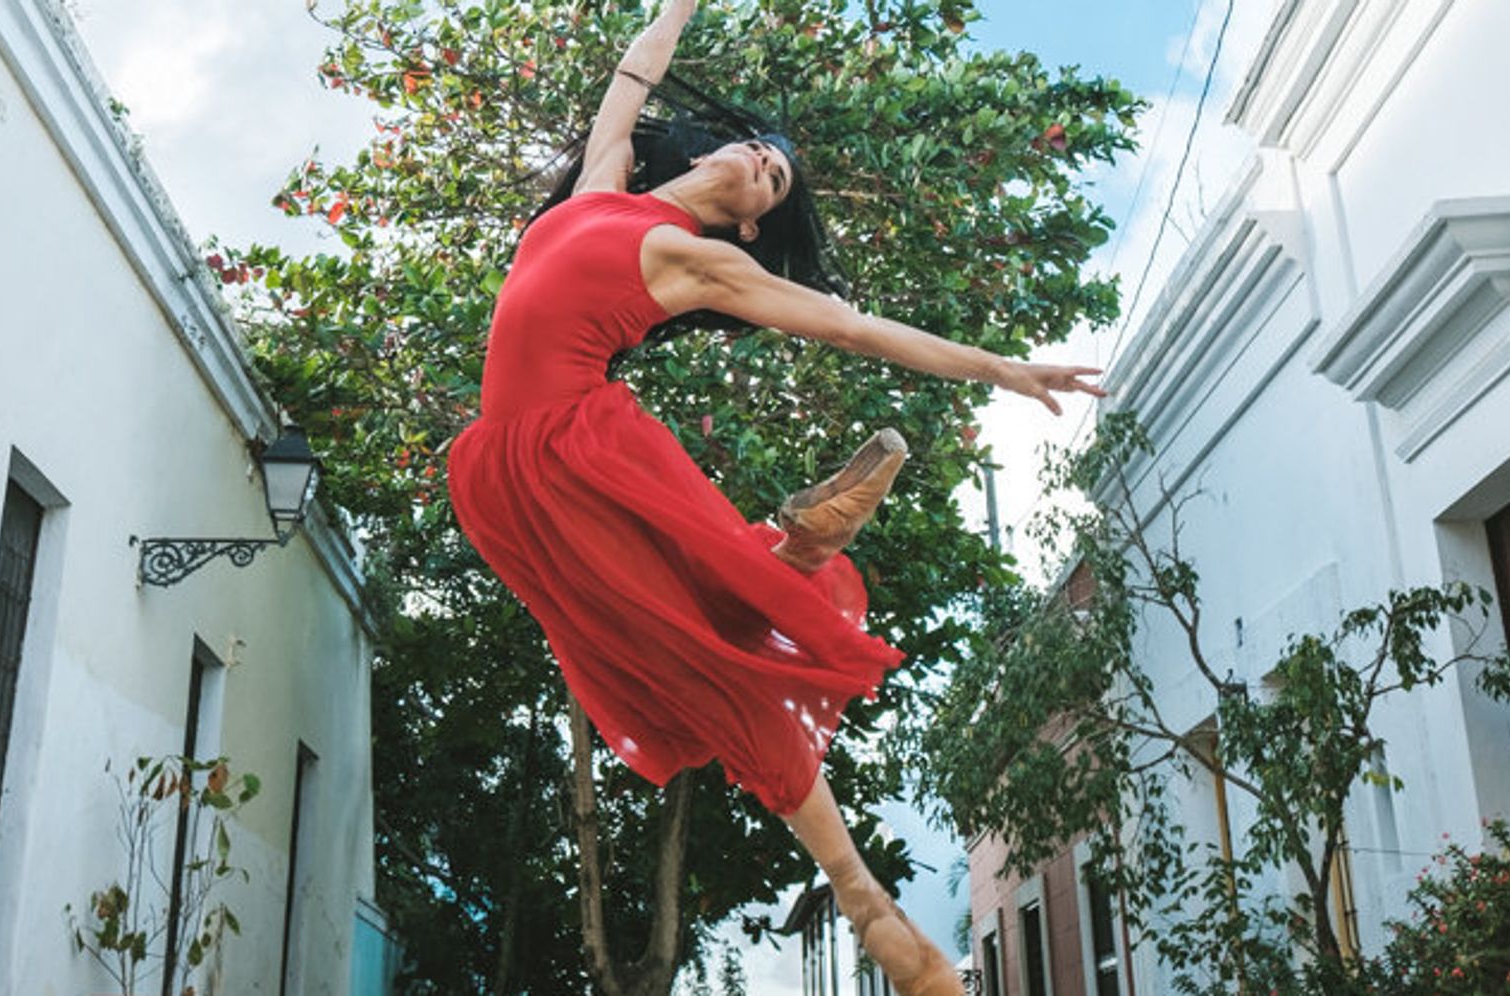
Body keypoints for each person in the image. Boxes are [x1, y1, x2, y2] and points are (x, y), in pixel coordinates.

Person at [445, 2, 1104, 991]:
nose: (761, 158)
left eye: (776, 175)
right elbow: (632, 78)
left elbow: (854, 328)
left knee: (703, 646)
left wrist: (1000, 367)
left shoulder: (700, 258)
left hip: (574, 450)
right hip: (496, 471)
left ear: (751, 218)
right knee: (660, 636)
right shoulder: (598, 187)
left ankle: (859, 889)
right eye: (760, 148)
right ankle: (789, 550)